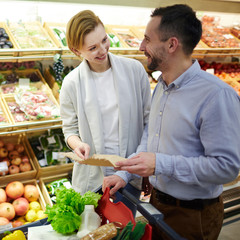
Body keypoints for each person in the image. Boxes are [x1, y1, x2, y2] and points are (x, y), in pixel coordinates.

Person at [102, 4, 240, 240]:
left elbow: (226, 167)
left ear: (172, 44)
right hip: (157, 203)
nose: (141, 46)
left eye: (147, 39)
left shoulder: (216, 96)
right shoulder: (162, 87)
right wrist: (125, 174)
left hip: (194, 215)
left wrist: (160, 164)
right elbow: (150, 137)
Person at [60, 9, 151, 195]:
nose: (102, 50)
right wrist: (78, 145)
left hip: (129, 173)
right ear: (76, 51)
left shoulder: (134, 70)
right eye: (92, 48)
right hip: (92, 178)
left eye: (104, 40)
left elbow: (149, 122)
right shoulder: (71, 83)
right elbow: (69, 130)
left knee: (126, 223)